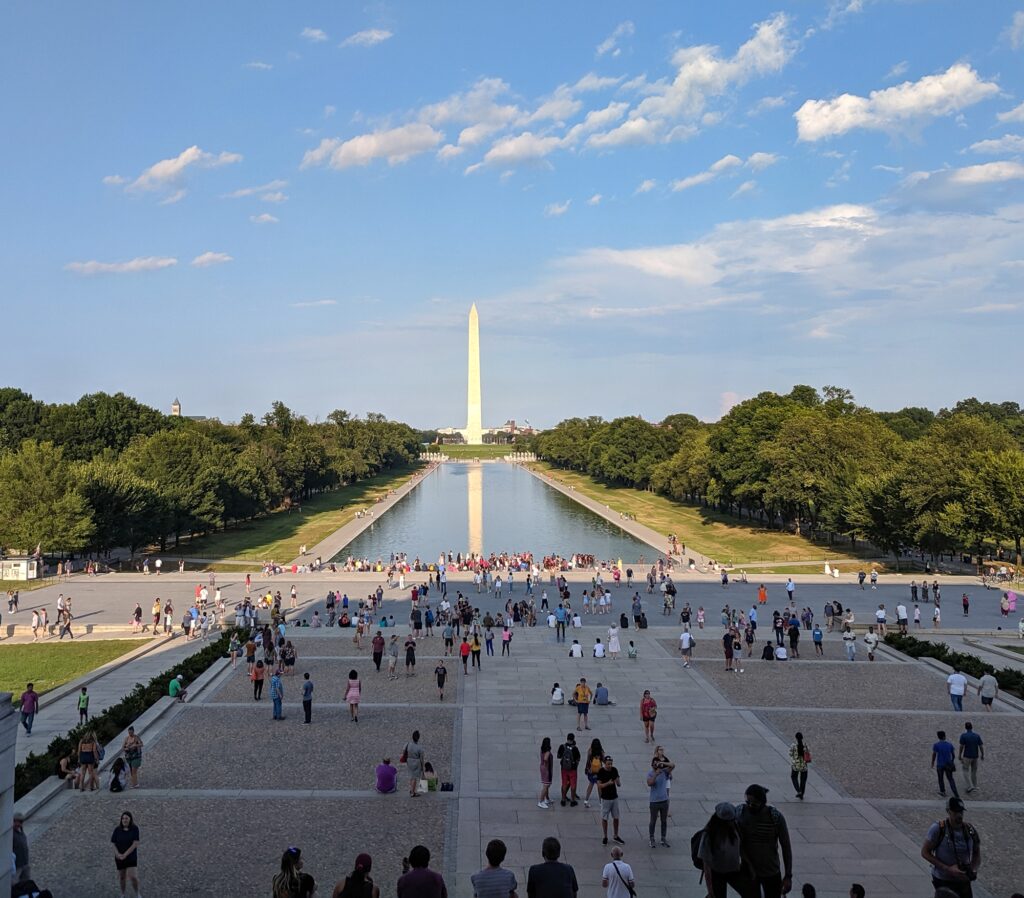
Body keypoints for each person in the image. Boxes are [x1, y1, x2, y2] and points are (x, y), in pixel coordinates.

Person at [735, 784, 793, 898]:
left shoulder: (775, 817)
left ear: (763, 803)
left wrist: (788, 876)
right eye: (748, 802)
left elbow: (786, 846)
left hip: (771, 870)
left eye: (754, 804)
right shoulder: (740, 813)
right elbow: (737, 843)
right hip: (748, 871)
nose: (750, 806)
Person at [921, 797, 981, 898]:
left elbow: (977, 853)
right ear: (948, 811)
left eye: (961, 812)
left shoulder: (970, 830)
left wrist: (973, 869)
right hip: (944, 880)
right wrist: (947, 868)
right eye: (956, 812)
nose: (960, 815)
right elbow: (925, 852)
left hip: (963, 881)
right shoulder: (938, 829)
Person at [698, 802, 750, 898]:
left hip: (734, 869)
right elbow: (706, 865)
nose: (731, 822)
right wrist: (710, 890)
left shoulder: (735, 827)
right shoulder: (709, 835)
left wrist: (750, 867)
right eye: (728, 821)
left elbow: (742, 849)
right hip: (717, 872)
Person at [647, 751, 674, 848]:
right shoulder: (650, 773)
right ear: (652, 765)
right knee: (653, 821)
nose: (656, 765)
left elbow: (672, 765)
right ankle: (651, 838)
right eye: (655, 764)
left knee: (664, 821)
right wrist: (656, 774)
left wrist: (663, 763)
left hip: (664, 801)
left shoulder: (664, 772)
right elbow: (649, 783)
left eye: (657, 763)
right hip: (654, 801)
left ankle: (663, 838)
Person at [111, 811, 141, 898]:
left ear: (130, 819)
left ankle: (137, 893)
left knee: (133, 877)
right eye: (123, 818)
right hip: (119, 858)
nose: (124, 820)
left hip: (131, 857)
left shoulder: (135, 829)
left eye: (126, 818)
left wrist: (125, 854)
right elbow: (113, 843)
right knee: (122, 877)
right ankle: (123, 894)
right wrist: (117, 853)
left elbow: (135, 843)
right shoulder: (117, 829)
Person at [596, 754, 623, 845]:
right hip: (605, 798)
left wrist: (617, 781)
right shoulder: (601, 772)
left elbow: (619, 784)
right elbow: (599, 785)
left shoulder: (614, 770)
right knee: (604, 818)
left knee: (616, 817)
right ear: (604, 764)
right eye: (608, 764)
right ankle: (605, 836)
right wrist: (608, 783)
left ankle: (616, 835)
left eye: (611, 764)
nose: (610, 766)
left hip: (614, 797)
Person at [932, 730, 960, 799]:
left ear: (938, 737)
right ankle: (956, 793)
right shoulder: (949, 745)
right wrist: (952, 761)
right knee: (950, 779)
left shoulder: (936, 745)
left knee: (940, 778)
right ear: (944, 736)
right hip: (948, 764)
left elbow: (934, 754)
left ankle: (943, 791)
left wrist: (932, 762)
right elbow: (953, 755)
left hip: (940, 764)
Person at [957, 722, 984, 794]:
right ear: (972, 727)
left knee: (965, 770)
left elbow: (961, 746)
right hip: (975, 756)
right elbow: (981, 746)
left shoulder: (963, 736)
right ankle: (975, 785)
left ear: (965, 728)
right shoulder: (977, 736)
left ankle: (969, 785)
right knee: (974, 771)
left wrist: (959, 755)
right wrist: (982, 754)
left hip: (967, 756)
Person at [557, 733, 581, 806]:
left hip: (564, 769)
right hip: (573, 769)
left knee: (564, 783)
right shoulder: (575, 748)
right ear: (573, 739)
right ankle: (573, 800)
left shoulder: (562, 747)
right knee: (573, 784)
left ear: (567, 738)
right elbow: (578, 758)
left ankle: (563, 799)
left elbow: (559, 756)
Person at [583, 737, 605, 808]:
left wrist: (586, 769)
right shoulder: (601, 751)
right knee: (599, 786)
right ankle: (601, 802)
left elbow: (588, 760)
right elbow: (604, 760)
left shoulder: (590, 750)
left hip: (591, 771)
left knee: (591, 785)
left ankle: (586, 800)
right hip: (599, 771)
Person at [789, 732, 810, 799]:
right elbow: (808, 752)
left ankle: (798, 790)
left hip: (796, 764)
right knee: (803, 780)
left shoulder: (793, 745)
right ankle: (802, 794)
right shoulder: (805, 745)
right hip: (804, 765)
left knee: (794, 777)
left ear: (796, 737)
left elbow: (790, 753)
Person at [405, 730, 425, 797]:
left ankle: (411, 789)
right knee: (414, 778)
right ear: (418, 738)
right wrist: (422, 767)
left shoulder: (408, 744)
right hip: (416, 763)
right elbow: (422, 758)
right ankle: (413, 792)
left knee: (411, 776)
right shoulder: (420, 748)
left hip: (409, 761)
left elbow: (404, 751)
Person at [12, 811, 30, 883]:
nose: (18, 824)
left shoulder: (21, 831)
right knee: (14, 884)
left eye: (20, 822)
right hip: (17, 865)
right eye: (16, 821)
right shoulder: (11, 833)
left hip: (25, 863)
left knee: (26, 883)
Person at [539, 736, 554, 808]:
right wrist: (546, 765)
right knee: (546, 785)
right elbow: (545, 759)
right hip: (546, 769)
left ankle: (547, 798)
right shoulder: (547, 751)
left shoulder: (542, 750)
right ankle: (541, 801)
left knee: (547, 785)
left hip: (542, 768)